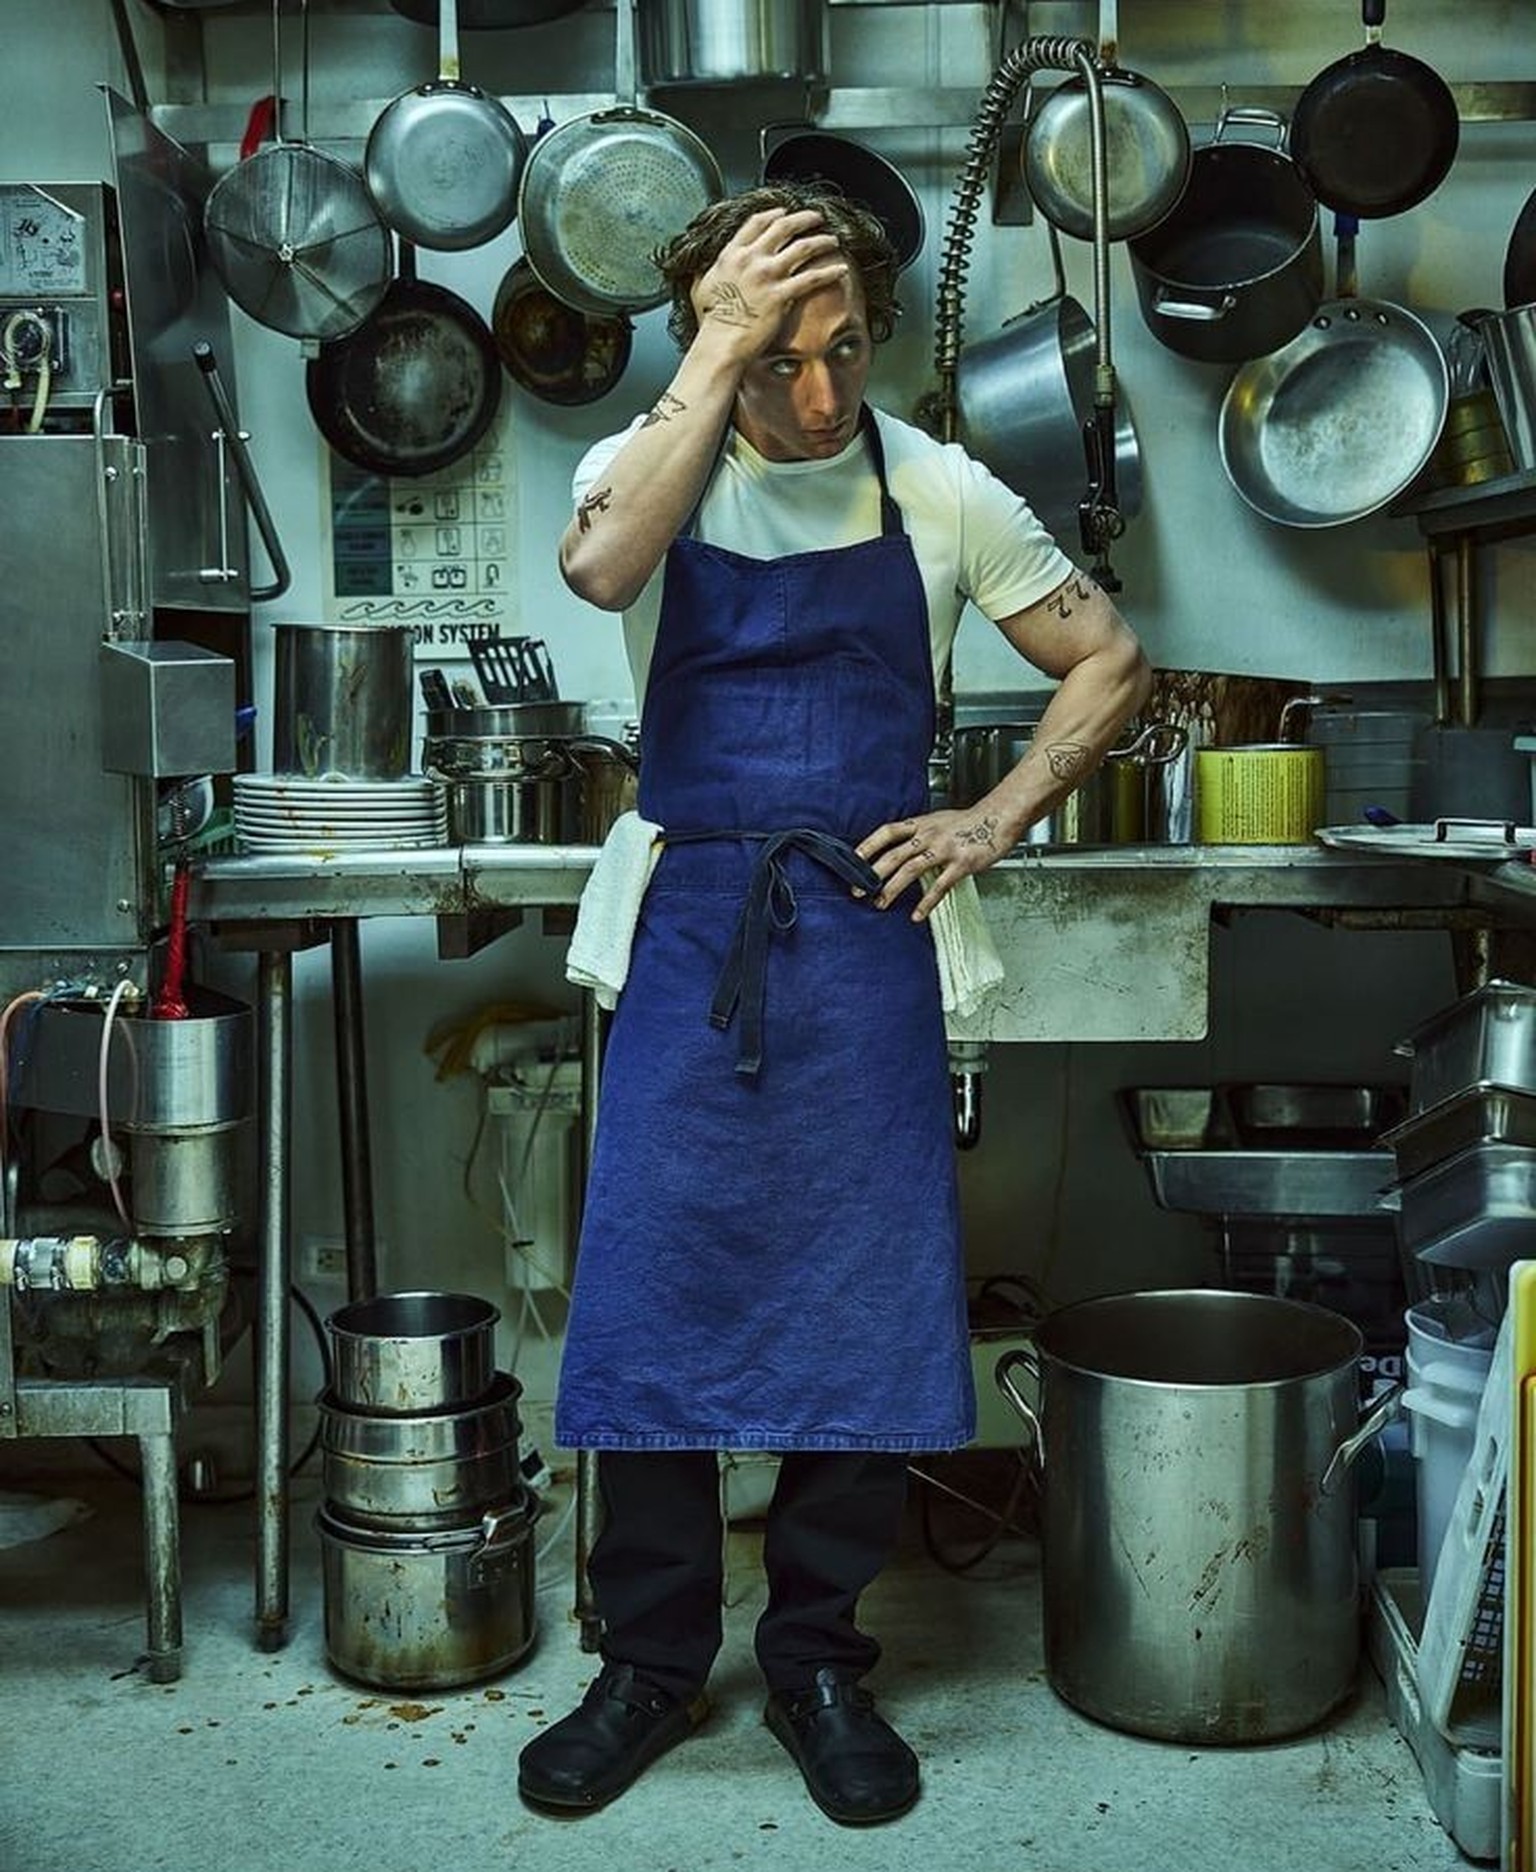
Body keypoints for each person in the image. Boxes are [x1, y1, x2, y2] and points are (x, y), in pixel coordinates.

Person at [517, 182, 1150, 1827]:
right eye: (778, 356)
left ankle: (813, 1659)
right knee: (654, 1292)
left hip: (863, 932)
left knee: (867, 1304)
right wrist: (718, 345)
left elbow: (1110, 658)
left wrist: (990, 819)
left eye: (845, 351)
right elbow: (598, 572)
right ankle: (649, 1663)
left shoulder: (934, 487)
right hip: (693, 934)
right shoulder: (652, 469)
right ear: (716, 344)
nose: (816, 395)